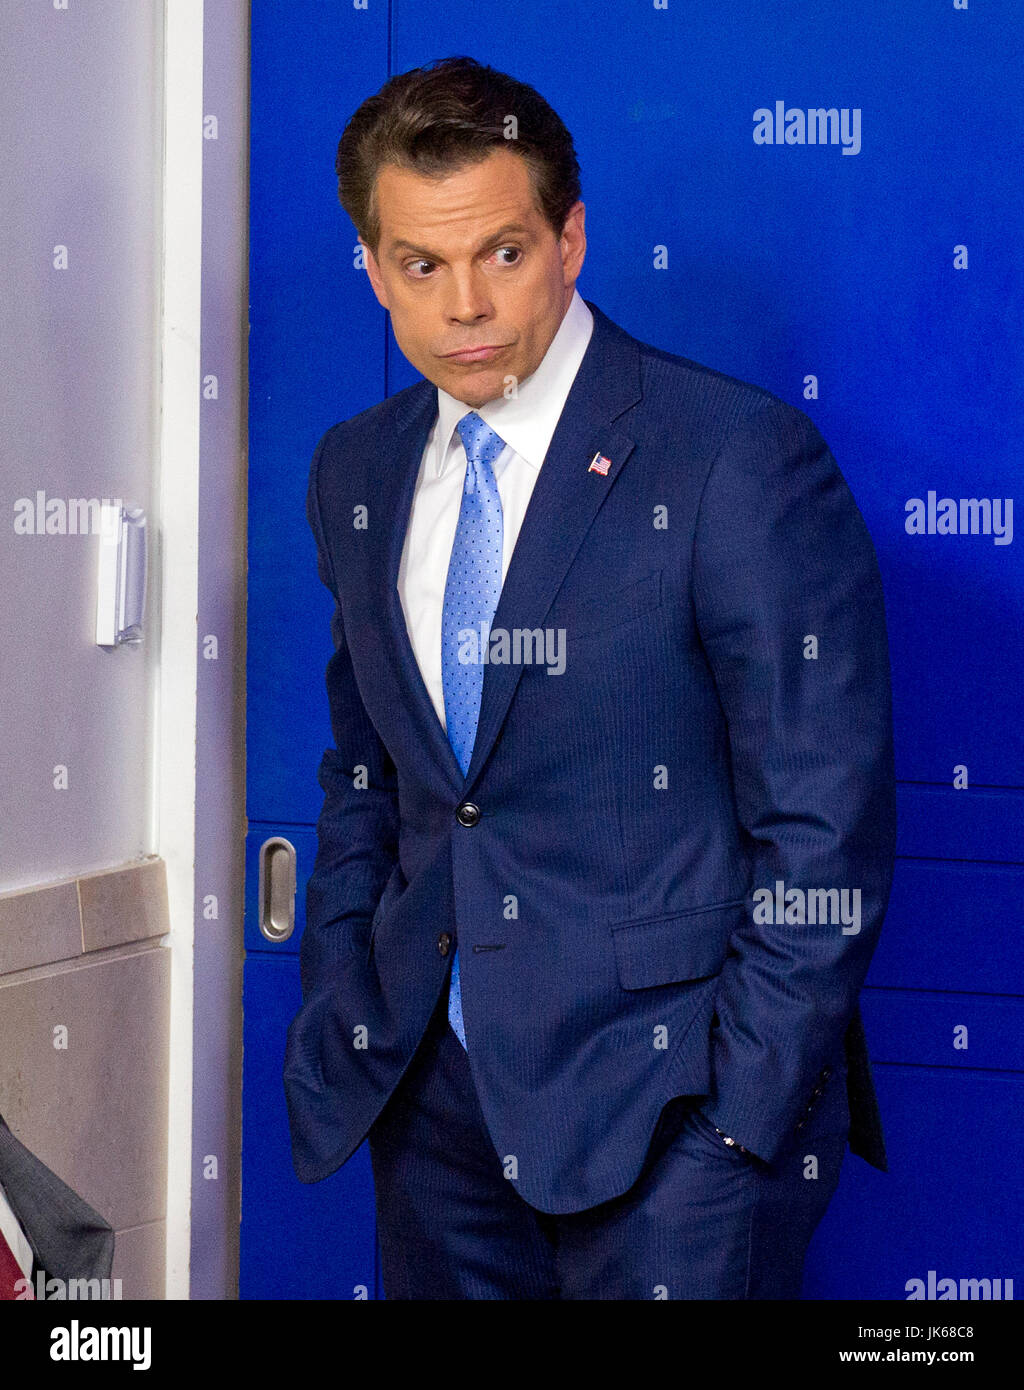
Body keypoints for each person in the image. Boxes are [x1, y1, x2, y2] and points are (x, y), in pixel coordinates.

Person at [283, 55, 897, 1300]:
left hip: (675, 1121)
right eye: (420, 265)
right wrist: (353, 973)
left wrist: (738, 1121)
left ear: (570, 239)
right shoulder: (355, 467)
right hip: (432, 1110)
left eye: (502, 253)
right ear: (371, 268)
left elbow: (824, 824)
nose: (465, 305)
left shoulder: (733, 457)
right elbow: (370, 766)